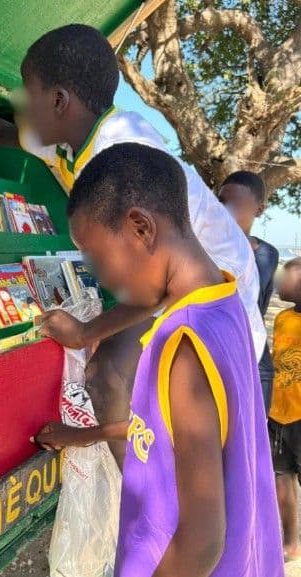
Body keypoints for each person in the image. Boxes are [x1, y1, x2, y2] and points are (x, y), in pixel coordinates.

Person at [0, 24, 264, 361]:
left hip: (224, 304)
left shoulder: (123, 156)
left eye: (29, 95)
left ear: (60, 101)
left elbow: (160, 282)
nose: (20, 108)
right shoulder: (67, 136)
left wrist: (85, 332)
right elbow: (0, 133)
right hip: (177, 289)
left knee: (115, 376)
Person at [37, 144, 283, 577]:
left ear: (141, 228)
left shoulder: (183, 344)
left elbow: (203, 540)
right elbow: (164, 433)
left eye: (98, 259)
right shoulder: (226, 303)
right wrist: (85, 434)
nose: (103, 279)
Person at [219, 171, 279, 413]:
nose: (226, 211)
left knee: (255, 437)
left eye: (236, 204)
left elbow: (258, 308)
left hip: (255, 361)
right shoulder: (204, 252)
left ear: (259, 210)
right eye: (221, 202)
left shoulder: (267, 255)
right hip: (215, 356)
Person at [268, 257, 301, 561]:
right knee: (281, 478)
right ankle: (291, 543)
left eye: (288, 276)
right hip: (279, 413)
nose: (280, 282)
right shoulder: (283, 319)